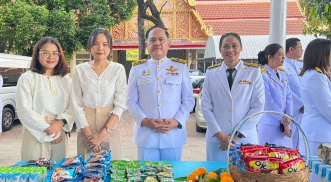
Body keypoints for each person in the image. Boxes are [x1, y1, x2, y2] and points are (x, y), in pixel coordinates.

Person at [127, 26, 194, 161]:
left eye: (161, 39)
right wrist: (145, 121)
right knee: (147, 179)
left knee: (173, 176)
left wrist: (177, 121)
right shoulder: (137, 69)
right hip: (146, 136)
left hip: (173, 136)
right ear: (147, 45)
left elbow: (188, 100)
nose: (157, 43)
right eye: (152, 40)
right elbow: (130, 101)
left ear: (168, 44)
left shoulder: (180, 67)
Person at [201, 32, 265, 161]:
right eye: (225, 46)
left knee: (245, 179)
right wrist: (220, 136)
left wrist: (236, 135)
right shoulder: (211, 73)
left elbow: (258, 106)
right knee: (216, 177)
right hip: (218, 141)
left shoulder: (253, 72)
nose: (230, 50)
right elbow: (206, 106)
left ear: (241, 47)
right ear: (220, 50)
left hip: (245, 139)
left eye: (234, 46)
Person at [71, 28, 127, 160]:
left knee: (112, 170)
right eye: (95, 43)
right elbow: (75, 103)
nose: (100, 48)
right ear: (90, 47)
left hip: (109, 125)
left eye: (105, 44)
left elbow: (120, 104)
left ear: (110, 47)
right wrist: (89, 135)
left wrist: (101, 135)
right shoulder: (80, 70)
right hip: (86, 126)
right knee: (86, 169)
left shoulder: (118, 69)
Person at [16, 37, 74, 161]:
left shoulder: (65, 80)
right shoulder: (27, 78)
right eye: (45, 53)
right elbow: (24, 110)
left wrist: (59, 124)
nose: (50, 57)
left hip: (60, 132)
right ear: (38, 55)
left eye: (55, 53)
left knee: (57, 175)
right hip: (35, 133)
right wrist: (48, 130)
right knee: (37, 174)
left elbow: (71, 107)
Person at [298, 38, 331, 182]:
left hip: (318, 133)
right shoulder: (316, 77)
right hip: (318, 135)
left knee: (314, 181)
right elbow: (327, 107)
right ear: (322, 55)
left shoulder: (317, 74)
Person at [257, 43, 293, 148]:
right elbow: (268, 102)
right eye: (280, 54)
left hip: (285, 124)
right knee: (270, 157)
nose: (283, 57)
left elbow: (289, 97)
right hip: (270, 124)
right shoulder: (262, 75)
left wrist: (288, 117)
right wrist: (283, 119)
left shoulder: (283, 74)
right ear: (270, 57)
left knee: (286, 157)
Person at [285, 38, 304, 147]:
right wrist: (300, 105)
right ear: (291, 49)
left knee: (301, 141)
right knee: (289, 141)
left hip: (305, 111)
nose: (302, 50)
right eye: (300, 48)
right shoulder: (283, 67)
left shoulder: (302, 65)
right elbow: (286, 90)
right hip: (293, 110)